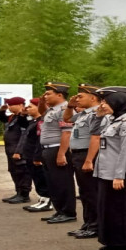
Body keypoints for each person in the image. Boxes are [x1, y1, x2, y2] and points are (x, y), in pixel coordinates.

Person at [93, 87, 126, 250]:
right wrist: (98, 116)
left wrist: (119, 175)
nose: (103, 105)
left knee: (121, 208)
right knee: (109, 208)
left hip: (119, 172)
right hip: (106, 170)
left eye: (106, 102)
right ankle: (112, 240)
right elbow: (94, 131)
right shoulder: (112, 120)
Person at [65, 85, 102, 239]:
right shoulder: (83, 114)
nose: (77, 99)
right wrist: (70, 106)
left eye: (80, 96)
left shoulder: (96, 114)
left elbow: (96, 138)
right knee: (84, 192)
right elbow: (66, 118)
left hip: (87, 155)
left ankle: (95, 226)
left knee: (91, 192)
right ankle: (87, 224)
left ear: (93, 97)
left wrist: (89, 160)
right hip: (78, 155)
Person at [40, 82, 77, 224]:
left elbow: (66, 133)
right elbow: (42, 113)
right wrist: (43, 102)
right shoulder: (52, 110)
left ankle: (68, 212)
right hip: (48, 149)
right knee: (53, 182)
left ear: (60, 95)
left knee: (63, 182)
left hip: (57, 149)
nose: (45, 96)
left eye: (49, 94)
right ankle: (59, 210)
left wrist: (61, 154)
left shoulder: (64, 110)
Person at [17, 98, 52, 213]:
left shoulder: (41, 122)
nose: (28, 108)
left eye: (31, 106)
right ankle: (42, 199)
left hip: (35, 155)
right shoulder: (34, 121)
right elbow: (22, 124)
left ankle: (48, 201)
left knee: (42, 178)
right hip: (29, 155)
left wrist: (38, 157)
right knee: (36, 178)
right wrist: (22, 114)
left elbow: (39, 141)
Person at [0, 97, 32, 203]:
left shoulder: (25, 117)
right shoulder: (13, 116)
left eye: (11, 105)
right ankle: (18, 192)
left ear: (20, 105)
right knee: (14, 171)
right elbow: (3, 119)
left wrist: (19, 151)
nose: (9, 107)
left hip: (19, 148)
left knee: (22, 171)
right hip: (10, 148)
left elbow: (24, 132)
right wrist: (1, 111)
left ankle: (24, 194)